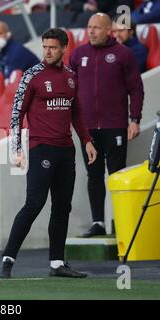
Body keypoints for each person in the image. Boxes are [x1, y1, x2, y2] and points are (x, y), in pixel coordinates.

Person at [0, 28, 97, 279]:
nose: (48, 51)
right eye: (45, 47)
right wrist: (16, 149)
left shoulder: (71, 76)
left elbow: (76, 113)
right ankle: (8, 259)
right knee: (34, 204)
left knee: (62, 207)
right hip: (41, 148)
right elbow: (16, 114)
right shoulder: (32, 75)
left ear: (65, 48)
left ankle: (56, 263)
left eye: (53, 47)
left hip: (66, 150)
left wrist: (87, 141)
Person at [69, 13, 144, 237]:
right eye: (89, 27)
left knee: (116, 174)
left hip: (115, 126)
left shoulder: (123, 54)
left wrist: (135, 119)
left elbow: (136, 88)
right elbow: (70, 88)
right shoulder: (78, 54)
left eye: (97, 28)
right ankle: (99, 222)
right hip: (87, 128)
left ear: (109, 30)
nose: (91, 31)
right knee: (93, 175)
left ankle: (119, 221)